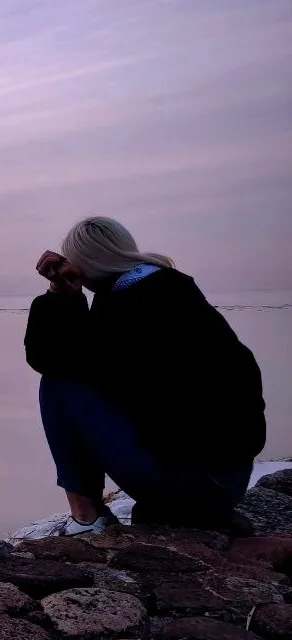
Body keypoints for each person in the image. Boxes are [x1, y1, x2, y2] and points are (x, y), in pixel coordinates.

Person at [25, 215, 266, 533]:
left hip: (191, 486)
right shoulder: (167, 290)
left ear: (86, 263)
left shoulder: (126, 307)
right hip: (227, 481)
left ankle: (86, 516)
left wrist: (59, 295)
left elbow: (49, 359)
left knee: (58, 384)